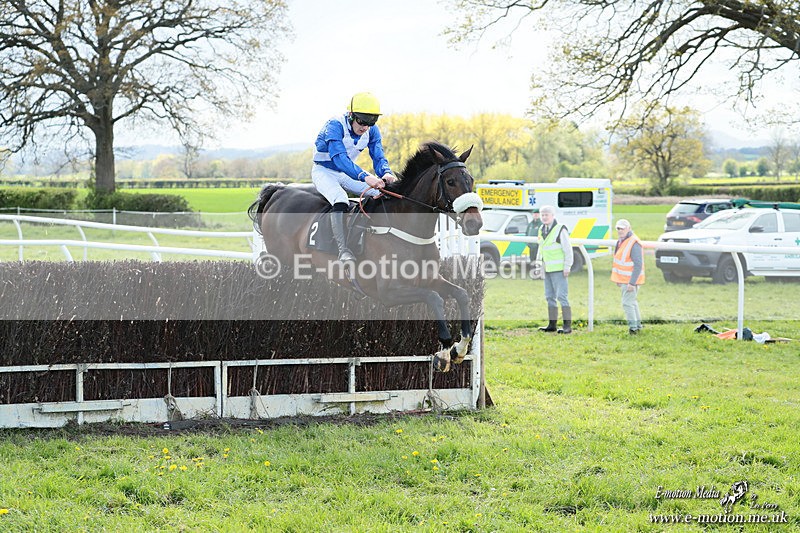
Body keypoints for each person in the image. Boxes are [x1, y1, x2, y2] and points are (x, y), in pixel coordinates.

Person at [312, 92, 396, 262]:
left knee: (381, 194)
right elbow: (340, 159)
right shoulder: (335, 125)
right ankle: (343, 250)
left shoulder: (372, 131)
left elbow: (378, 156)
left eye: (371, 122)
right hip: (324, 172)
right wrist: (365, 176)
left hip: (346, 173)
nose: (365, 127)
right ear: (351, 115)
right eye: (362, 121)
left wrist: (385, 172)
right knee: (340, 199)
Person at [536, 205, 573, 334]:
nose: (544, 217)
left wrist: (567, 266)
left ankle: (567, 326)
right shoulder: (541, 229)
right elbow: (541, 248)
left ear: (553, 215)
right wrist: (539, 265)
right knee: (549, 297)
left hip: (559, 269)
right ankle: (552, 325)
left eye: (547, 214)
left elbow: (568, 249)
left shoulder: (560, 229)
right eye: (543, 215)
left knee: (562, 296)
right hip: (547, 269)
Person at [611, 218, 645, 335]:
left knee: (627, 303)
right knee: (632, 302)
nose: (620, 231)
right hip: (625, 279)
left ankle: (633, 329)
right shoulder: (622, 241)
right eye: (618, 228)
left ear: (628, 228)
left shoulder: (633, 242)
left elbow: (638, 264)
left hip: (630, 280)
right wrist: (618, 279)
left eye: (622, 228)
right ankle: (638, 326)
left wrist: (632, 283)